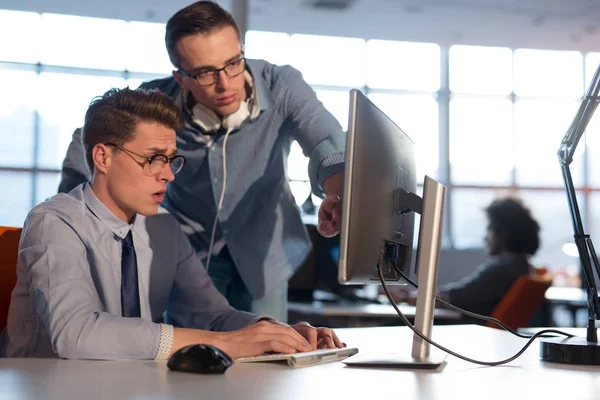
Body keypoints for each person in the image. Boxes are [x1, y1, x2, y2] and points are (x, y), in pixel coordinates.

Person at [0, 87, 344, 360]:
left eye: (170, 160)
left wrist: (273, 331)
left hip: (129, 387)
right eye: (153, 159)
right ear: (103, 157)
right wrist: (226, 344)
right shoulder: (54, 222)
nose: (167, 174)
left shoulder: (162, 228)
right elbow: (76, 335)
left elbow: (211, 315)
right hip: (41, 388)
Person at [57, 1, 345, 322]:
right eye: (205, 73)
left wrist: (336, 194)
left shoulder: (282, 86)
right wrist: (73, 218)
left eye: (233, 63)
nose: (225, 84)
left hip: (265, 252)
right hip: (189, 254)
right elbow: (89, 140)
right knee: (191, 358)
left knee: (267, 355)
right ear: (181, 79)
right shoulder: (156, 102)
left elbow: (327, 143)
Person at [387, 197, 541, 317]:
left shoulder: (503, 270)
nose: (485, 239)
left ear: (503, 234)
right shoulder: (520, 266)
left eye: (489, 231)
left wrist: (405, 298)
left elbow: (451, 298)